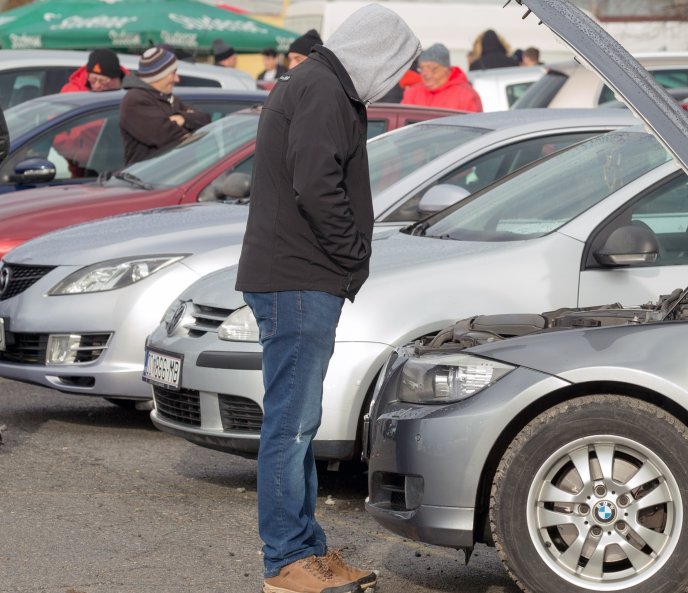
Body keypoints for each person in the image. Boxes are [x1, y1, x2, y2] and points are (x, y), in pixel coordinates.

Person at [235, 5, 420, 593]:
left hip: (301, 277)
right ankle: (286, 561)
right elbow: (315, 186)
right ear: (376, 52)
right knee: (290, 425)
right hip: (297, 279)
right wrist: (349, 255)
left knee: (299, 423)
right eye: (398, 66)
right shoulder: (321, 89)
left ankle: (305, 550)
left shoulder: (323, 85)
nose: (396, 80)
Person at [119, 46, 210, 166]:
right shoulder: (134, 101)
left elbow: (205, 119)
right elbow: (172, 138)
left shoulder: (169, 98)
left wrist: (182, 118)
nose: (177, 79)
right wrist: (189, 129)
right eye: (173, 73)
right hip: (147, 181)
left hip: (174, 178)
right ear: (158, 75)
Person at [53, 49, 128, 177]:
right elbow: (57, 131)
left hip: (121, 167)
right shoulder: (72, 93)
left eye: (103, 81)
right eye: (93, 80)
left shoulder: (128, 92)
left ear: (116, 79)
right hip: (82, 168)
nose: (97, 85)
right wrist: (77, 154)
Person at [402, 43, 482, 112]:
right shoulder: (412, 93)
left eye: (432, 68)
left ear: (446, 69)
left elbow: (475, 126)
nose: (425, 73)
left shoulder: (467, 96)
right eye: (422, 68)